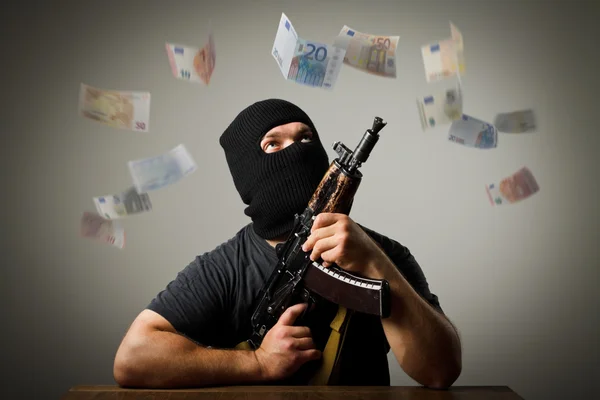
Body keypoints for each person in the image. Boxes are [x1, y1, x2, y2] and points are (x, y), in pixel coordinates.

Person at [113, 99, 462, 388]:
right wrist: (258, 363)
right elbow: (132, 359)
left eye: (306, 138)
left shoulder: (384, 253)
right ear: (247, 172)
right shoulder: (225, 266)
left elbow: (440, 371)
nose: (295, 151)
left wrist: (374, 263)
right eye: (273, 144)